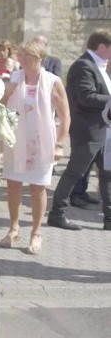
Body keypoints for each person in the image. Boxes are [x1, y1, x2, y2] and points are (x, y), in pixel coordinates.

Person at [0, 40, 70, 255]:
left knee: (38, 187)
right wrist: (8, 93)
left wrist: (59, 144)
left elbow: (65, 115)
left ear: (40, 59)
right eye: (21, 56)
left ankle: (36, 232)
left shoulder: (52, 81)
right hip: (17, 139)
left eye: (28, 57)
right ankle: (14, 227)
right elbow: (0, 107)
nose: (23, 60)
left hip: (42, 141)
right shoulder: (15, 78)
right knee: (12, 184)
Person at [48, 30, 111, 231]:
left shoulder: (101, 66)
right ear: (102, 47)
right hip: (88, 130)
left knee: (108, 173)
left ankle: (109, 219)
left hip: (103, 130)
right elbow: (87, 97)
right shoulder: (83, 65)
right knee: (74, 172)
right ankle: (57, 214)